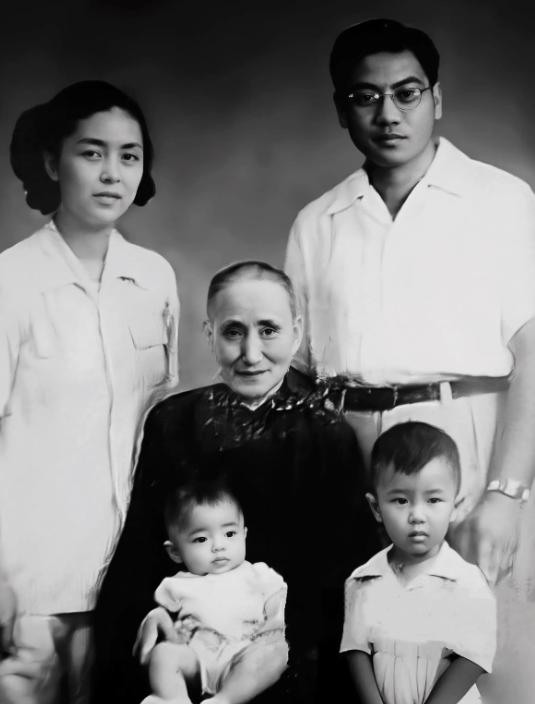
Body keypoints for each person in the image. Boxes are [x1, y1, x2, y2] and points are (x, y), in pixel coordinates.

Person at [284, 16, 535, 591]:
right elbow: (295, 373)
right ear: (341, 108)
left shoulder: (501, 200)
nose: (388, 114)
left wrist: (507, 494)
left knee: (470, 628)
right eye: (365, 97)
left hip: (468, 442)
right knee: (360, 625)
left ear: (436, 99)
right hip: (348, 452)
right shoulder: (317, 222)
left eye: (407, 93)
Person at [92, 260, 380, 704]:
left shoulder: (326, 432)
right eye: (232, 332)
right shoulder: (173, 421)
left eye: (268, 330)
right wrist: (152, 617)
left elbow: (345, 571)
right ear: (209, 334)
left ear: (296, 333)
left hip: (290, 647)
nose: (251, 353)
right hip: (193, 639)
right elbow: (142, 551)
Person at [0, 81, 179, 704]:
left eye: (129, 156)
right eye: (91, 153)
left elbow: (160, 422)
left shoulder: (154, 278)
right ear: (53, 163)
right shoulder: (11, 281)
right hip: (29, 574)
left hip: (133, 569)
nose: (112, 173)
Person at [342, 421, 496, 704]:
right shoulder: (361, 581)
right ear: (376, 507)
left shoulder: (466, 582)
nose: (417, 515)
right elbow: (356, 650)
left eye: (433, 500)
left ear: (455, 506)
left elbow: (474, 658)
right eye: (401, 501)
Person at [141, 481, 287, 704]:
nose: (218, 546)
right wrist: (171, 633)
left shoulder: (256, 573)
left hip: (244, 653)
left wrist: (274, 622)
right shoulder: (176, 584)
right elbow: (164, 620)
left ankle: (224, 700)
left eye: (229, 533)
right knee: (164, 654)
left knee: (275, 654)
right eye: (201, 539)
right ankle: (170, 697)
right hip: (197, 659)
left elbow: (276, 595)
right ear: (175, 552)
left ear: (244, 535)